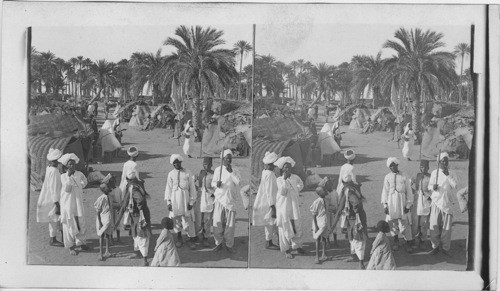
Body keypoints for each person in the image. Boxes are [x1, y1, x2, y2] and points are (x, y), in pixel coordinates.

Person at [118, 169, 152, 266]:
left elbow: (139, 199)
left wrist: (138, 206)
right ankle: (137, 252)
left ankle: (145, 259)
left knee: (141, 235)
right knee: (135, 233)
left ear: (127, 179)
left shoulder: (133, 188)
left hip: (139, 215)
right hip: (138, 214)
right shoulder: (138, 184)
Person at [274, 156, 305, 259]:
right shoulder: (279, 180)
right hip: (284, 207)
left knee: (297, 225)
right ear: (282, 169)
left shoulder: (295, 177)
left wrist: (297, 188)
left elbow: (301, 184)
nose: (288, 169)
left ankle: (297, 246)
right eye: (286, 167)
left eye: (289, 167)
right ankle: (287, 249)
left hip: (294, 206)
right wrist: (285, 179)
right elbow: (283, 192)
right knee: (285, 227)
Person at [58, 153, 89, 255]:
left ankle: (81, 242)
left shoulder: (79, 174)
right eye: (70, 164)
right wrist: (69, 176)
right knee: (69, 223)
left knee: (81, 222)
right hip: (68, 204)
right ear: (66, 166)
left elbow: (85, 181)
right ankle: (70, 246)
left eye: (73, 164)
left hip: (78, 202)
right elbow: (67, 189)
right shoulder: (63, 176)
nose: (72, 166)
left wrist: (81, 185)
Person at [381, 157, 414, 253]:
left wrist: (408, 205)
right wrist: (385, 205)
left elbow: (408, 190)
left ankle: (408, 242)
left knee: (405, 223)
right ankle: (396, 241)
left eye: (394, 165)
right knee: (392, 222)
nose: (393, 167)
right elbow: (385, 191)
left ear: (397, 165)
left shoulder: (404, 175)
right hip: (391, 202)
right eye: (391, 166)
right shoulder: (387, 177)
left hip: (402, 201)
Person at [164, 154, 197, 250]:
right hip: (175, 200)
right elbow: (168, 189)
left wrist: (191, 202)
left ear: (181, 162)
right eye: (174, 163)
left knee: (188, 220)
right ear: (172, 164)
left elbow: (192, 188)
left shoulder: (187, 172)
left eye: (178, 162)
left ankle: (191, 239)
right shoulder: (170, 174)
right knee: (176, 219)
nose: (176, 164)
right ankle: (179, 237)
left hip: (185, 199)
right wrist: (169, 203)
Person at [428, 152, 458, 256]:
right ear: (439, 162)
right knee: (434, 225)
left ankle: (445, 248)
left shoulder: (452, 172)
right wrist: (433, 187)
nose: (445, 162)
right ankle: (435, 247)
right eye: (443, 161)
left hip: (447, 202)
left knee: (447, 228)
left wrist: (448, 175)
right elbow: (429, 186)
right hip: (436, 202)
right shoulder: (434, 172)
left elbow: (455, 185)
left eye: (446, 160)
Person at [332, 182, 368, 269]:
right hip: (353, 219)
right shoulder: (353, 190)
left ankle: (361, 262)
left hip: (356, 219)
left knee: (358, 240)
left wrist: (333, 225)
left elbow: (354, 204)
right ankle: (354, 256)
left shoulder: (349, 192)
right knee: (352, 238)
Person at [211, 149, 241, 253]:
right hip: (219, 199)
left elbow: (238, 182)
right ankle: (218, 243)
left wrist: (231, 172)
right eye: (226, 158)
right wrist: (216, 184)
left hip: (230, 200)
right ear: (223, 159)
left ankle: (229, 245)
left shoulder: (235, 170)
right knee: (217, 222)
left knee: (230, 225)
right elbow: (213, 183)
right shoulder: (217, 170)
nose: (229, 160)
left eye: (230, 158)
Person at [252, 151, 280, 250]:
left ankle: (270, 241)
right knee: (272, 222)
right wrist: (273, 207)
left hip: (266, 201)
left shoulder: (265, 172)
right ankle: (271, 242)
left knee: (269, 223)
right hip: (269, 202)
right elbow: (270, 192)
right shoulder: (270, 175)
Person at [36, 148, 64, 247]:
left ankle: (58, 237)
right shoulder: (54, 171)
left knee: (54, 219)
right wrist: (57, 203)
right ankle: (53, 239)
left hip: (49, 197)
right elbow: (54, 188)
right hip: (53, 198)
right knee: (54, 218)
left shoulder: (49, 168)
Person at [336, 150, 361, 235]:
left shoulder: (343, 166)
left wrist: (339, 189)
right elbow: (354, 181)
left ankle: (343, 226)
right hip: (349, 189)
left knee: (343, 207)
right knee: (349, 206)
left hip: (342, 187)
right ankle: (349, 225)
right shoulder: (352, 168)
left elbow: (340, 179)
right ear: (353, 159)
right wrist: (358, 186)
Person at [411, 160, 432, 250]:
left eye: (425, 167)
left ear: (428, 168)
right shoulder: (417, 176)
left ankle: (423, 240)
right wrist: (413, 192)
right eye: (421, 166)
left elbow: (433, 190)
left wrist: (429, 196)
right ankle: (415, 239)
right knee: (415, 222)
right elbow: (408, 185)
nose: (423, 168)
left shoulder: (431, 177)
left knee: (424, 223)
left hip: (425, 202)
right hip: (416, 202)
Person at [195, 157, 215, 247]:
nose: (206, 166)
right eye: (204, 164)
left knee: (207, 219)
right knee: (199, 218)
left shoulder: (214, 174)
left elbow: (217, 188)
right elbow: (193, 181)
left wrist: (213, 194)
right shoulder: (201, 173)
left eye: (208, 164)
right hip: (200, 198)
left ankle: (206, 237)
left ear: (211, 165)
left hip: (209, 198)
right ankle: (197, 235)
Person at [311, 186, 331, 264]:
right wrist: (316, 226)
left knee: (324, 238)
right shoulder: (317, 202)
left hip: (325, 222)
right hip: (319, 223)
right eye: (323, 190)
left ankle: (324, 254)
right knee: (318, 239)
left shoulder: (326, 200)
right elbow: (314, 214)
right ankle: (317, 256)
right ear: (319, 193)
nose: (325, 191)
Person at [95, 183, 115, 261]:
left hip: (108, 219)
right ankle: (100, 253)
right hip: (102, 219)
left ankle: (107, 251)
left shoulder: (110, 197)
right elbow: (98, 211)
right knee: (101, 236)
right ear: (103, 190)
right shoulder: (101, 198)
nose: (108, 188)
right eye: (106, 187)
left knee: (107, 235)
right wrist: (100, 223)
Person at [319, 177, 339, 247]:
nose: (330, 186)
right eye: (328, 184)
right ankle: (328, 241)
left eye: (331, 184)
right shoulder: (325, 194)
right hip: (327, 213)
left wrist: (337, 210)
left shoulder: (335, 193)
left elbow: (337, 202)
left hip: (334, 213)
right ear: (325, 186)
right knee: (327, 227)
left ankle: (335, 241)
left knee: (334, 227)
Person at [102, 174, 122, 242]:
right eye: (111, 181)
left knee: (117, 223)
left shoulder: (119, 189)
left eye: (114, 181)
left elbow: (121, 199)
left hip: (117, 209)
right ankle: (111, 238)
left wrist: (120, 207)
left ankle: (118, 238)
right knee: (111, 224)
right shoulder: (108, 192)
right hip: (110, 210)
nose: (113, 182)